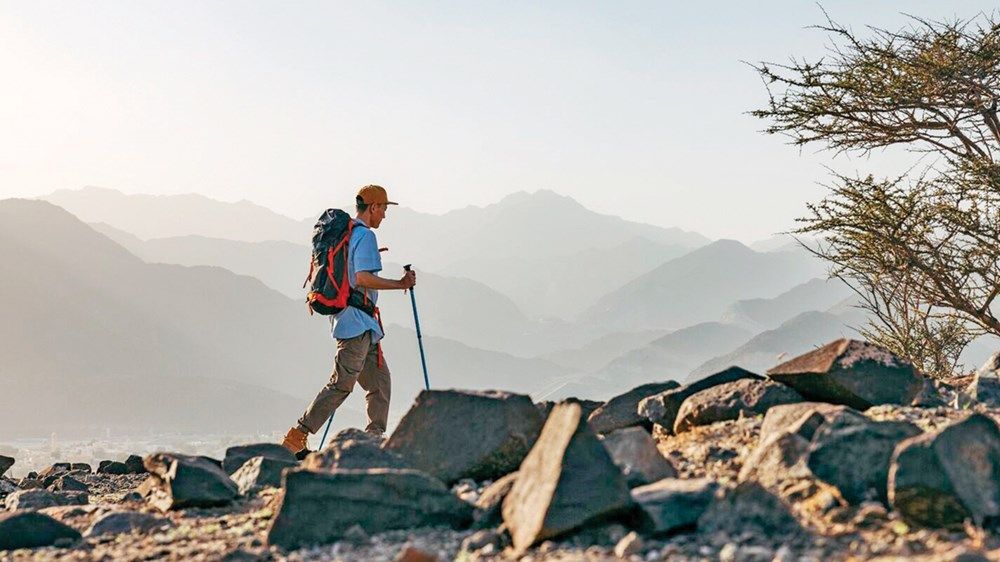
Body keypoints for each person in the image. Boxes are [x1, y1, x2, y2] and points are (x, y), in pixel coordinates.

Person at [282, 184, 416, 456]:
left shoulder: (349, 234)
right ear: (374, 207)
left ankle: (373, 439)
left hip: (361, 324)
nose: (385, 216)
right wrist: (400, 283)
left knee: (380, 383)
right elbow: (362, 278)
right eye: (384, 209)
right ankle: (296, 438)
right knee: (342, 383)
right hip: (356, 323)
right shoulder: (364, 236)